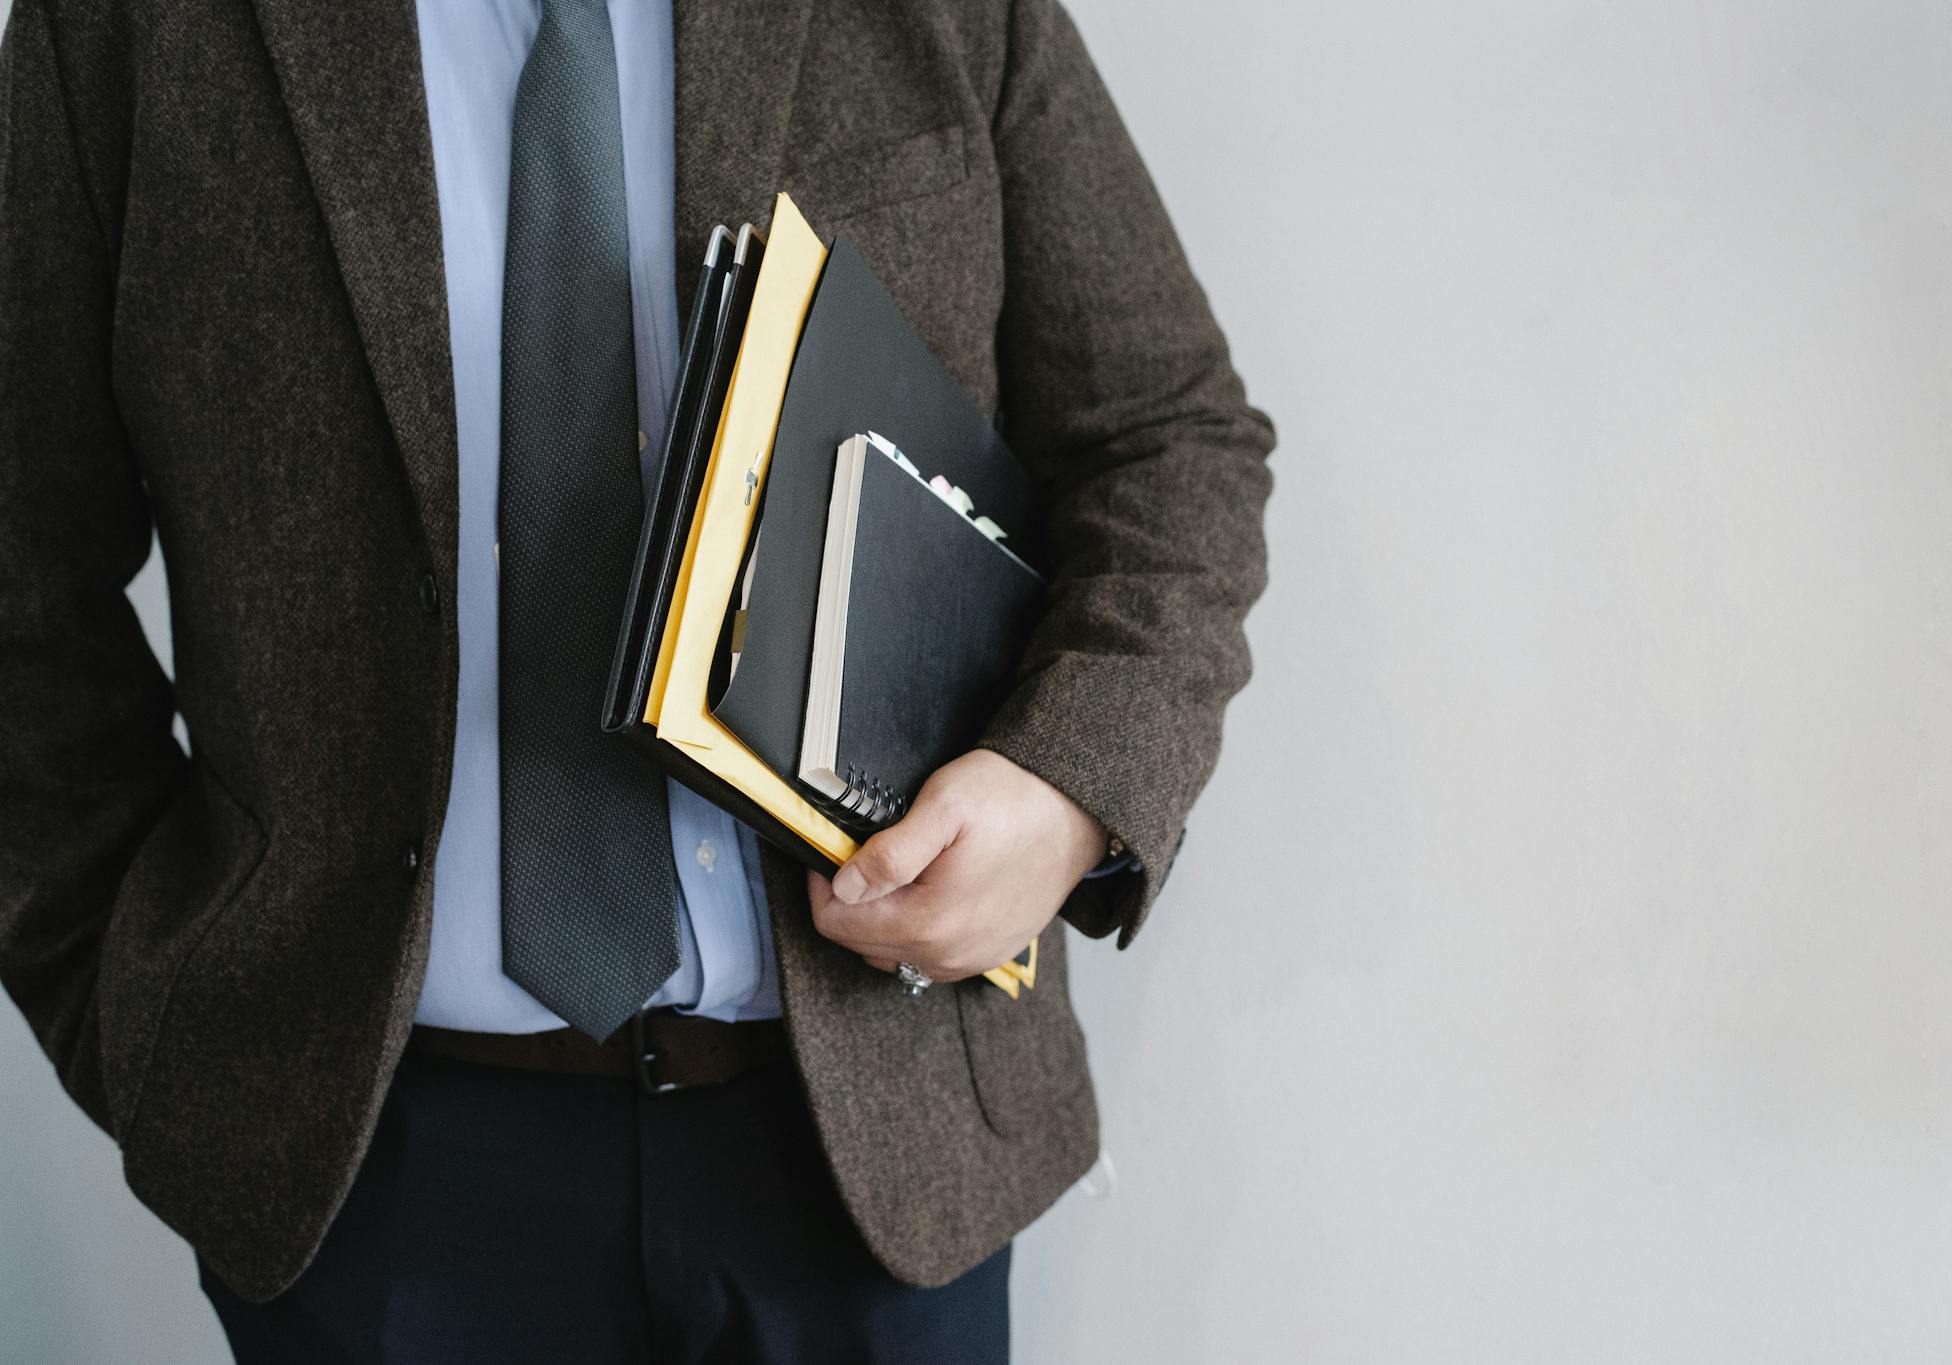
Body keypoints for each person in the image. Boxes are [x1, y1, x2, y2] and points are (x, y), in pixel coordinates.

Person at [0, 0, 1273, 1358]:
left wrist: (1072, 786)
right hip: (374, 1182)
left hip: (875, 1147)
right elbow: (23, 564)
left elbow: (1166, 438)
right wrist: (149, 1028)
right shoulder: (127, 27)